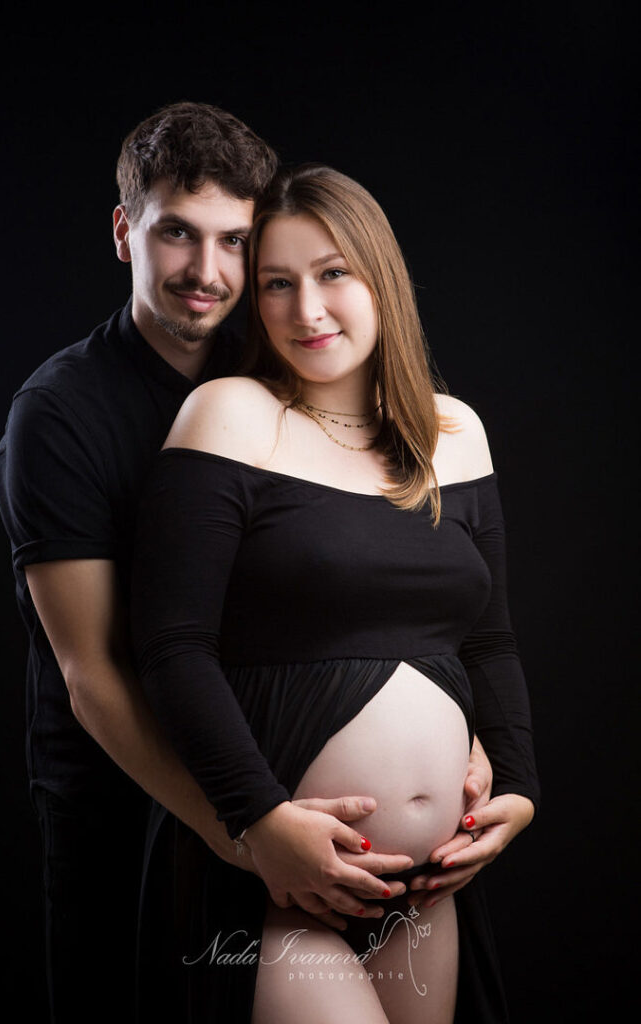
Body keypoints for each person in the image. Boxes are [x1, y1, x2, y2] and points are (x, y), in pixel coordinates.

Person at [0, 104, 489, 1021]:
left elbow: (363, 583)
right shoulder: (60, 416)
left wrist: (460, 727)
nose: (206, 272)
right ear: (123, 231)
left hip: (304, 812)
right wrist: (245, 830)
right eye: (176, 233)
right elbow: (94, 672)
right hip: (130, 798)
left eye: (235, 241)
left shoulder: (282, 366)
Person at [131, 164, 539, 1023]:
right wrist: (258, 820)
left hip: (427, 889)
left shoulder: (452, 432)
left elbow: (489, 641)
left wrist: (519, 785)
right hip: (280, 882)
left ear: (379, 276)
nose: (305, 311)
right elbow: (170, 647)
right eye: (276, 284)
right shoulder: (231, 412)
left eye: (331, 275)